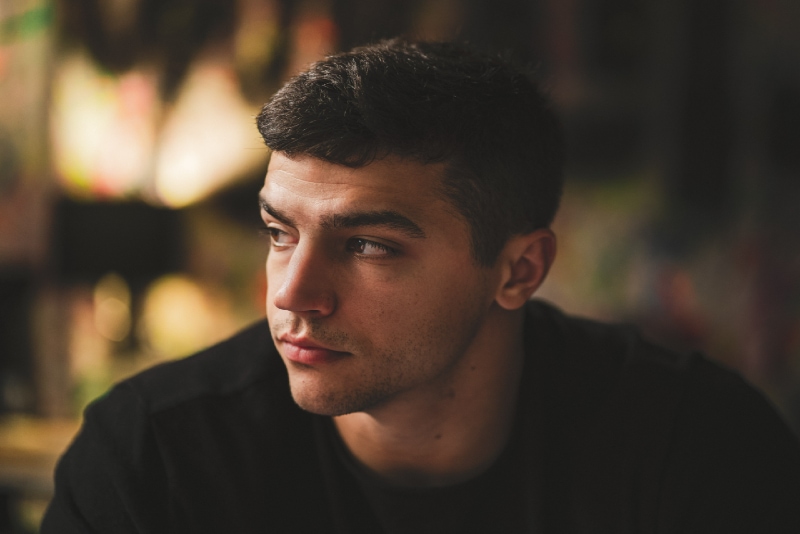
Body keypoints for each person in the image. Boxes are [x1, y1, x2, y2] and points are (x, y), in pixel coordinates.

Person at [42, 39, 800, 533]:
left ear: (519, 270)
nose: (292, 293)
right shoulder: (154, 456)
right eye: (280, 232)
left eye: (368, 245)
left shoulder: (695, 448)